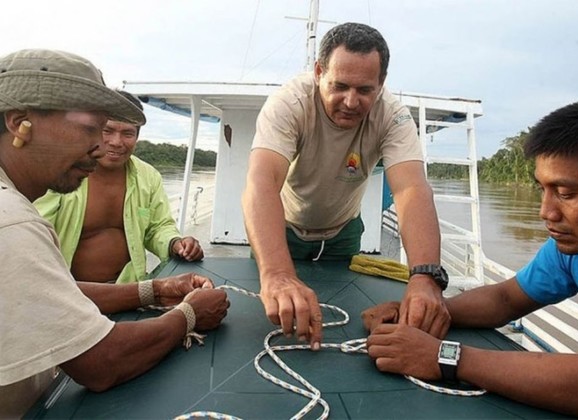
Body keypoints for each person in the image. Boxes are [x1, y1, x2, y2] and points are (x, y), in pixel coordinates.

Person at [365, 96, 578, 417]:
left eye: (565, 194)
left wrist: (444, 357)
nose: (546, 212)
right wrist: (425, 310)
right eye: (542, 190)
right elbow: (505, 299)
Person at [0, 49, 230, 418]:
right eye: (92, 128)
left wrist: (155, 289)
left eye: (123, 132)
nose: (102, 146)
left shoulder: (14, 211)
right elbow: (101, 363)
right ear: (19, 123)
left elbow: (46, 288)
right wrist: (190, 314)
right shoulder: (14, 224)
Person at [241, 21, 448, 351]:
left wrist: (424, 277)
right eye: (339, 86)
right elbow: (262, 182)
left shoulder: (392, 116)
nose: (351, 102)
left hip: (343, 232)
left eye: (365, 90)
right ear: (319, 72)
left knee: (342, 307)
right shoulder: (289, 103)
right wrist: (277, 274)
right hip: (284, 229)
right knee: (276, 310)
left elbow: (411, 189)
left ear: (381, 84)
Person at [34, 90, 203, 284]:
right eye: (108, 131)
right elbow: (36, 234)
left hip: (129, 289)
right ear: (93, 129)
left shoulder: (148, 177)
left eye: (127, 133)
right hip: (69, 290)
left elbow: (158, 227)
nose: (116, 142)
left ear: (137, 137)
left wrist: (176, 243)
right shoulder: (62, 174)